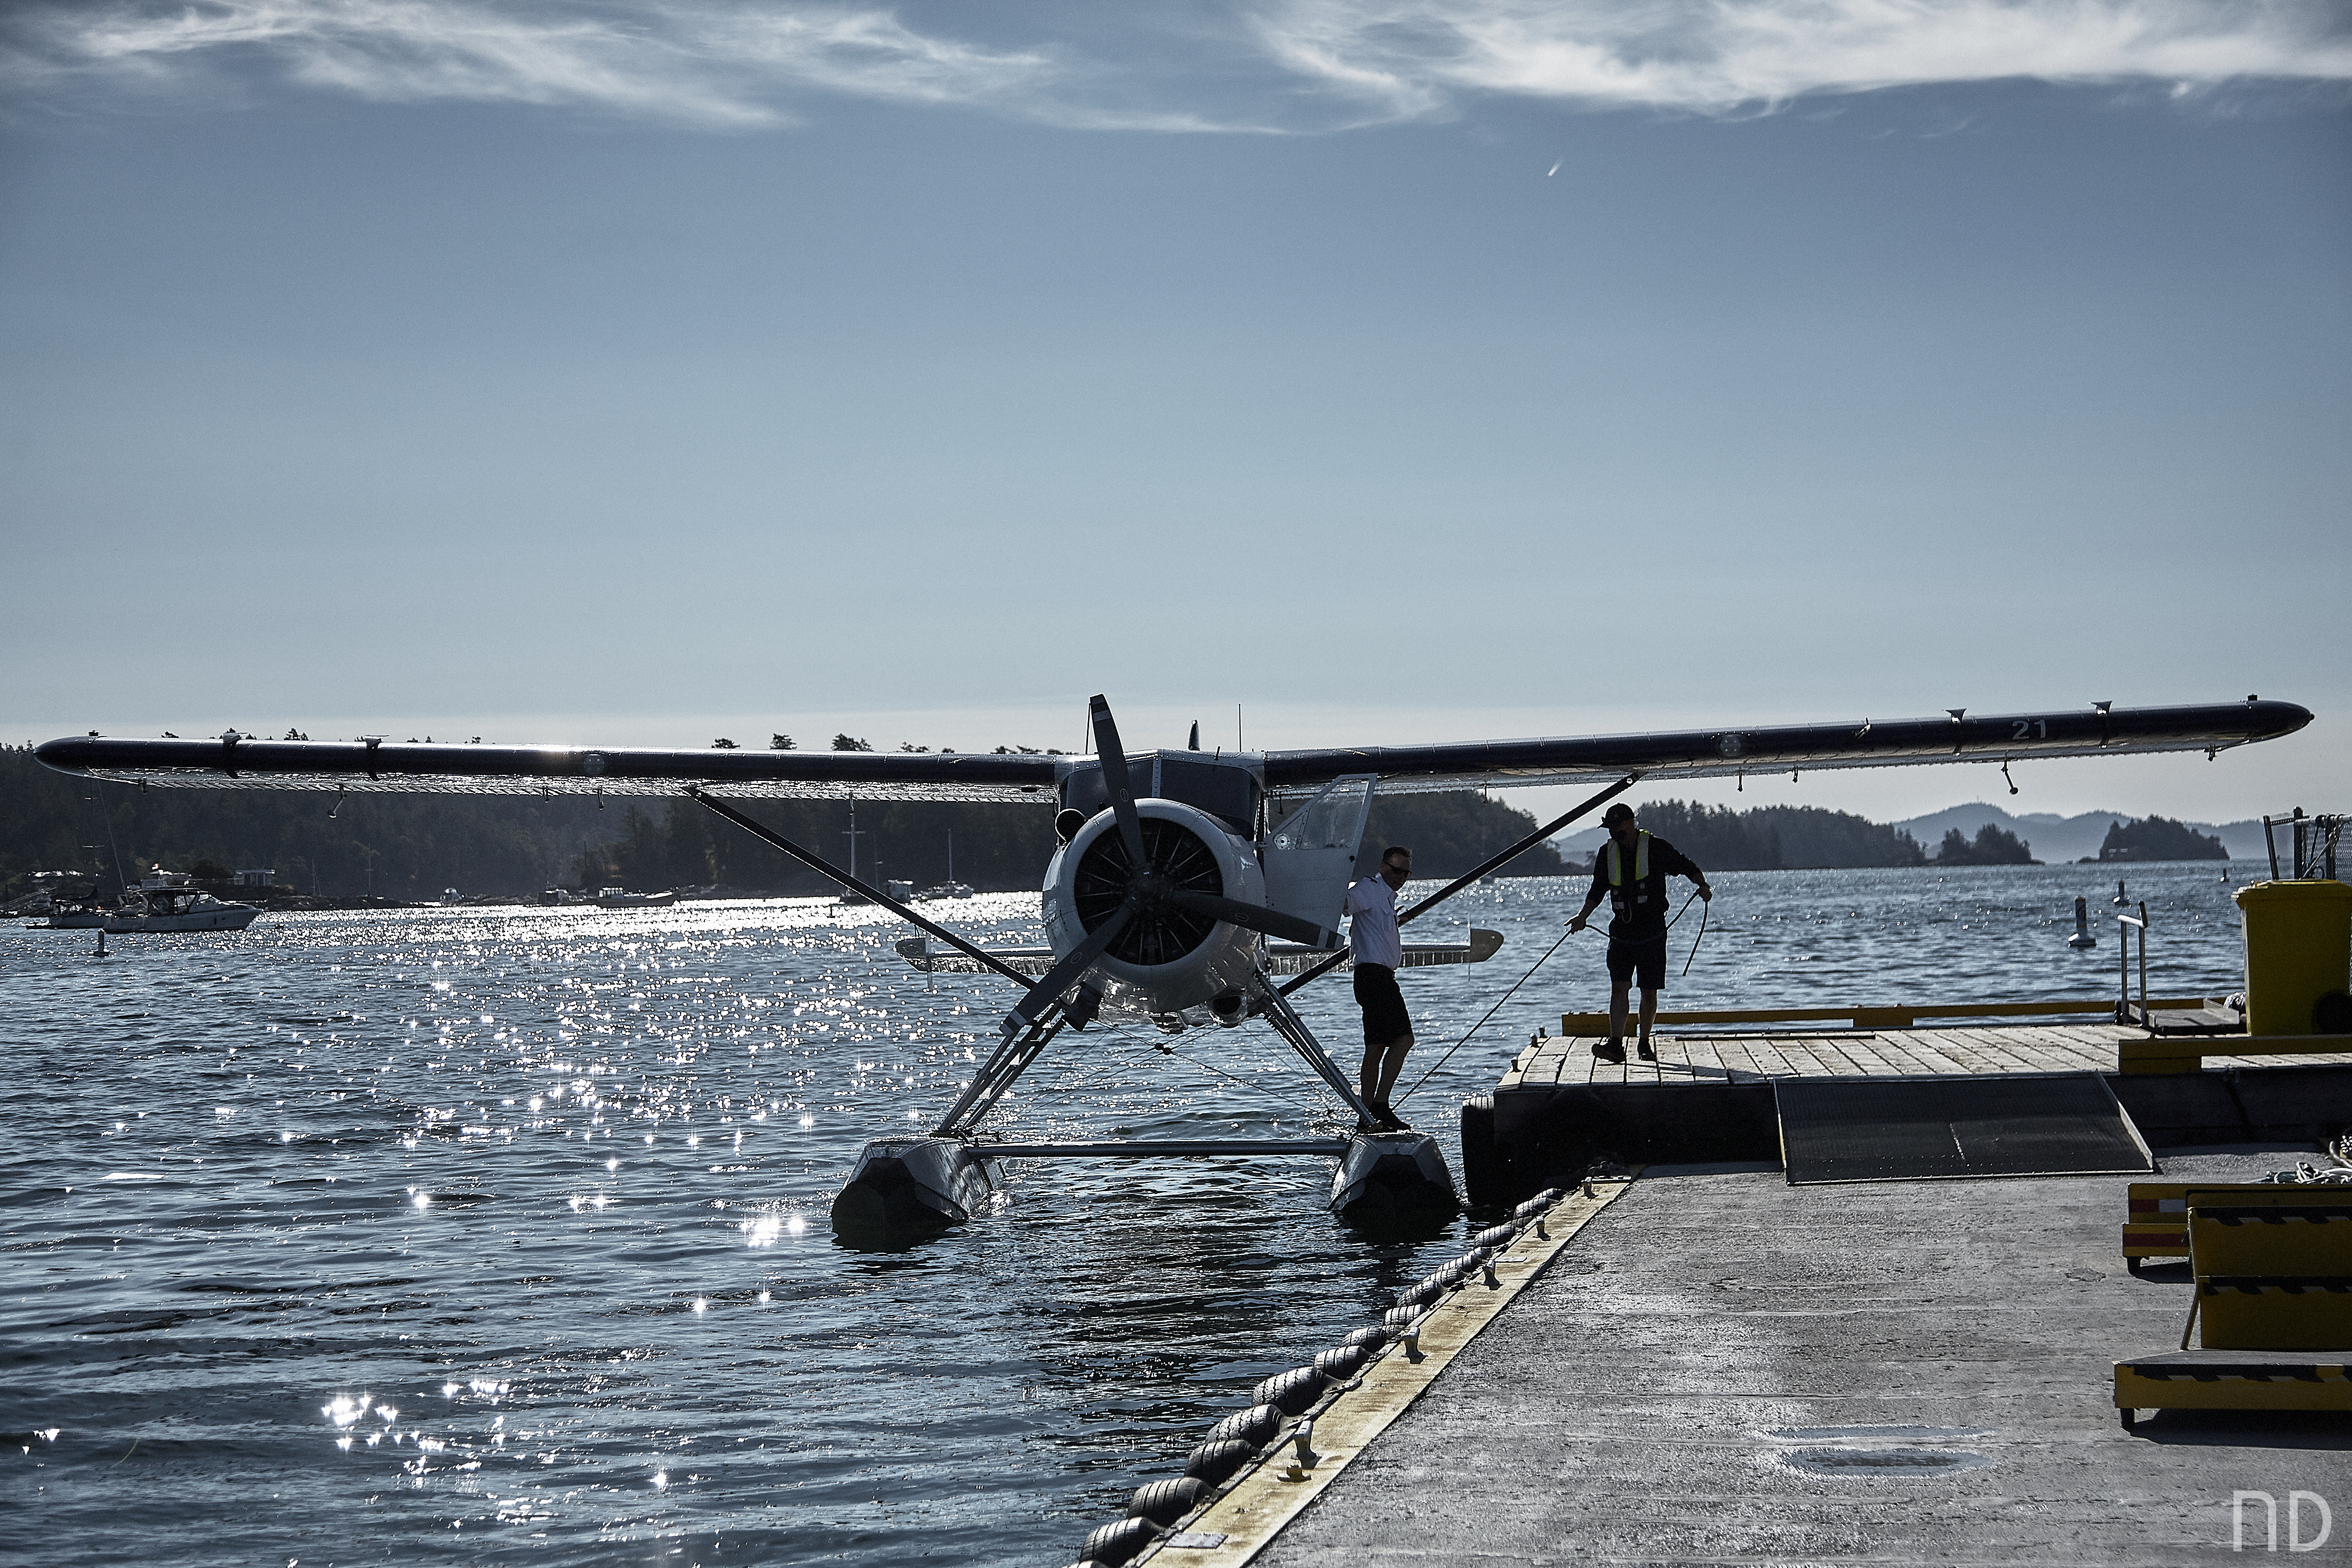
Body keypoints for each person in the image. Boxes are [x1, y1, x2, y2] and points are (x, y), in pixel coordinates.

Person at [1568, 804, 1712, 1063]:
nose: (1615, 833)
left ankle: (1644, 1043)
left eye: (1619, 827)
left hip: (1652, 931)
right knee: (1619, 986)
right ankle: (1615, 1044)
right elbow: (1597, 891)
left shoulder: (1656, 847)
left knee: (1648, 990)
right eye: (1611, 829)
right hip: (1622, 930)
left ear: (1632, 823)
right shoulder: (1606, 853)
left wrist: (1702, 885)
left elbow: (1686, 865)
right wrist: (1582, 917)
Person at [1343, 844, 1414, 1130]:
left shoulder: (1385, 899)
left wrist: (1398, 919)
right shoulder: (1370, 888)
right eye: (1396, 870)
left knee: (1376, 1045)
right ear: (1384, 867)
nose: (1401, 877)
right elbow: (1344, 904)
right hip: (1373, 977)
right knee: (1402, 1040)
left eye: (1406, 873)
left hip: (1380, 977)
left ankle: (1369, 1112)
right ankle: (1378, 1107)